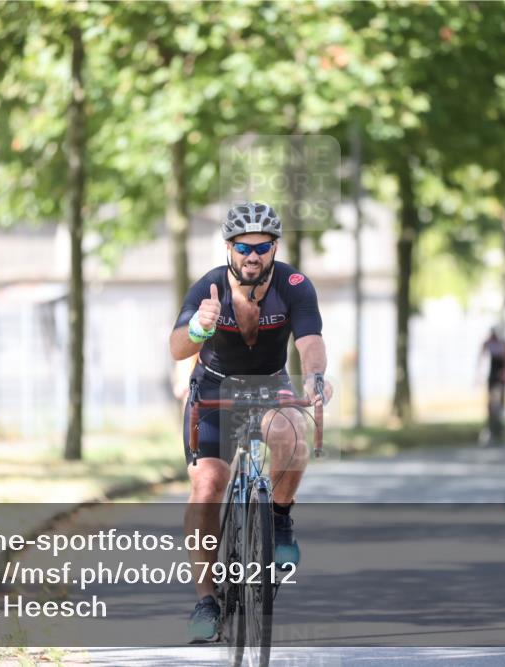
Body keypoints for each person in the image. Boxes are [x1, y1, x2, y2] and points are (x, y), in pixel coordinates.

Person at [169, 202, 334, 642]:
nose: (252, 256)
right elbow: (177, 348)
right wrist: (199, 328)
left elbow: (310, 341)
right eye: (243, 247)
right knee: (207, 485)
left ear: (275, 248)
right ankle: (207, 600)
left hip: (268, 385)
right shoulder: (208, 288)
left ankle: (278, 518)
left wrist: (315, 376)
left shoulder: (294, 285)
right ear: (229, 248)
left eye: (262, 248)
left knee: (292, 436)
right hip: (214, 387)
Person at [478, 326, 505, 444]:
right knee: (491, 404)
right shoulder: (489, 344)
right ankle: (491, 427)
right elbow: (482, 355)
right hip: (492, 377)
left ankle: (499, 429)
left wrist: (504, 374)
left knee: (499, 404)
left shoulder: (502, 344)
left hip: (499, 378)